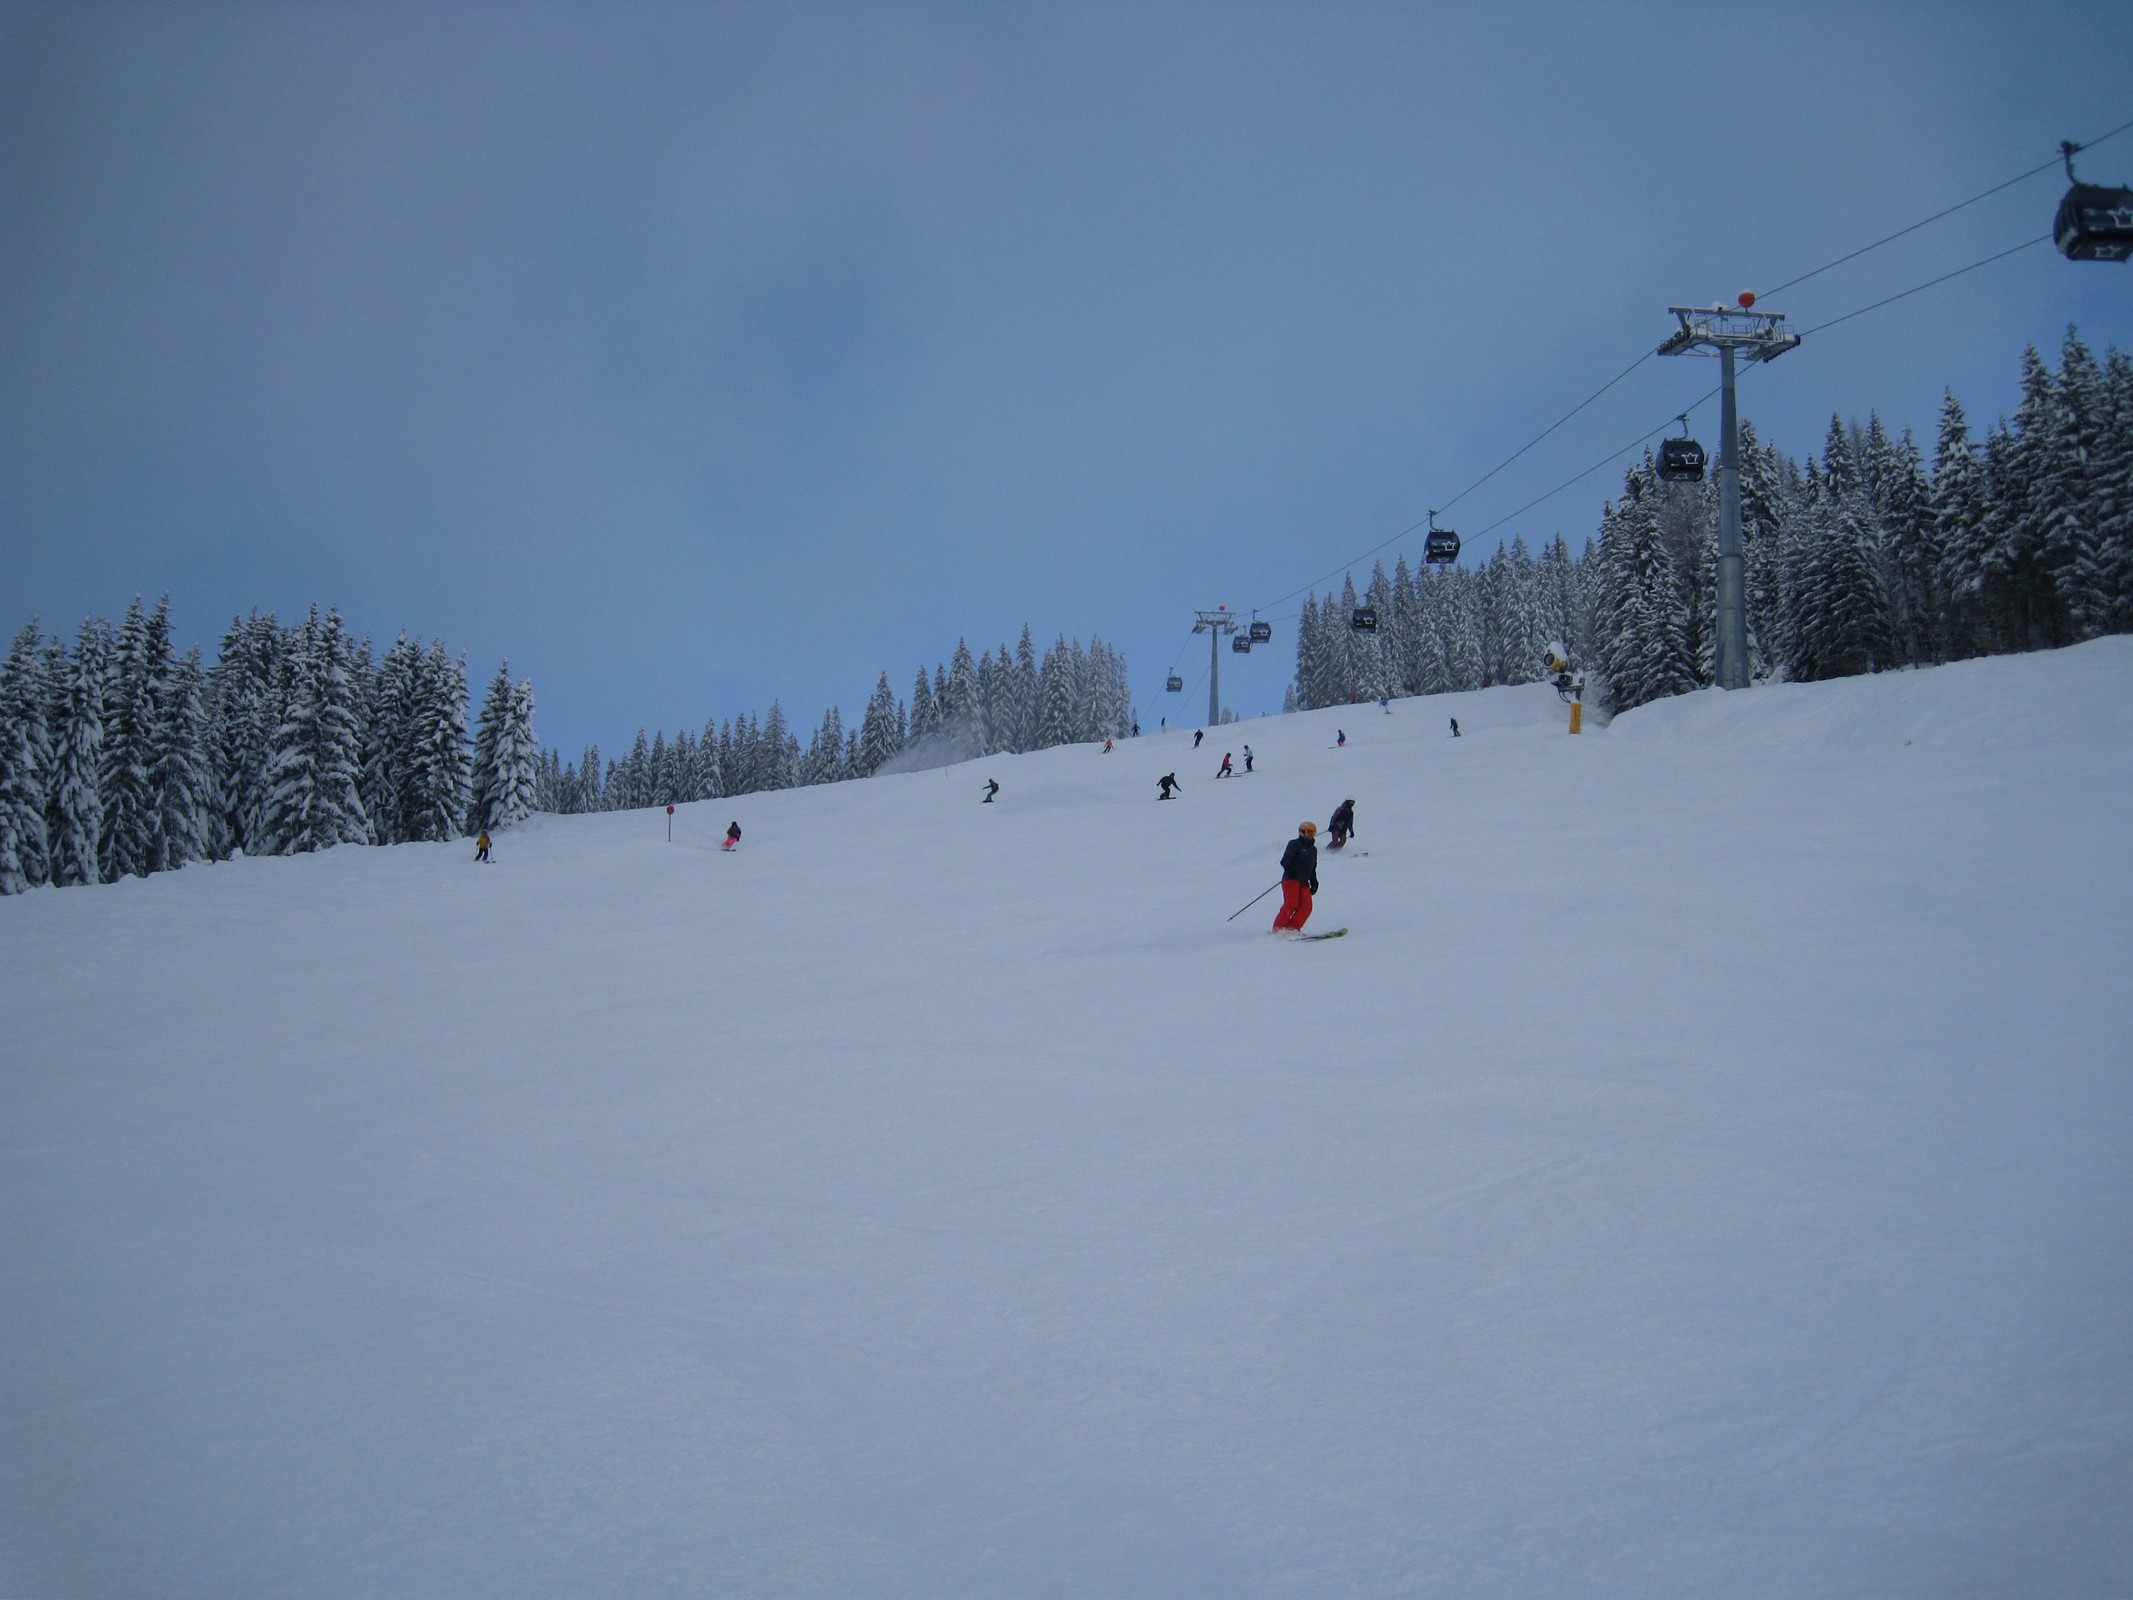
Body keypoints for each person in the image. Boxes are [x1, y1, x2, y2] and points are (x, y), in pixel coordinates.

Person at [1272, 821, 1318, 933]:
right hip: (1292, 878)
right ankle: (1278, 928)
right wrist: (1290, 869)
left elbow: (1312, 867)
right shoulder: (1294, 844)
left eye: (1312, 832)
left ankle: (1292, 929)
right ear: (1301, 832)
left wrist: (1314, 881)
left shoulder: (1313, 850)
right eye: (1307, 832)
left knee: (1306, 906)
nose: (1309, 835)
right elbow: (1285, 861)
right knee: (1291, 903)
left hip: (1304, 881)